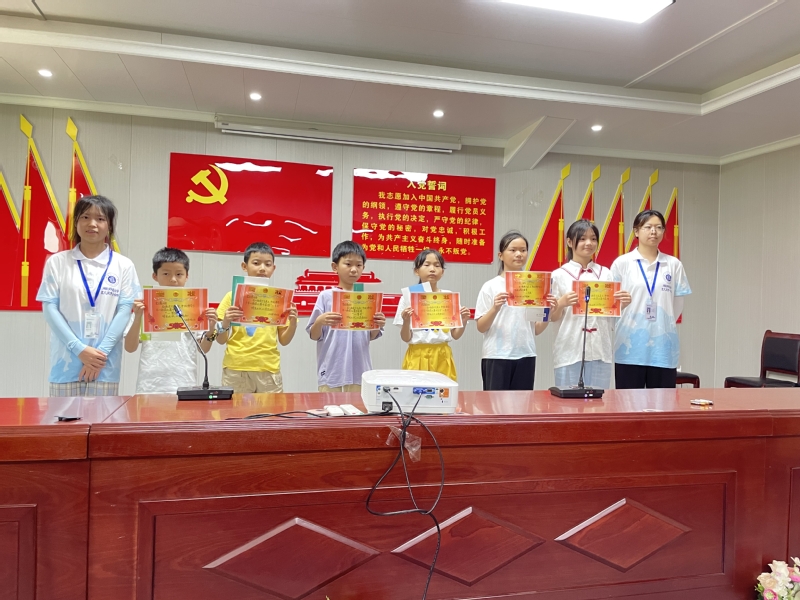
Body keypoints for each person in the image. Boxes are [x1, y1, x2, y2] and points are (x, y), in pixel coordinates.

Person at [37, 195, 141, 396]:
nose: (92, 224)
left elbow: (125, 310)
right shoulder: (57, 262)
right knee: (63, 416)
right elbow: (49, 308)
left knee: (104, 416)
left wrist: (98, 357)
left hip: (105, 367)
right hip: (65, 365)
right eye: (85, 217)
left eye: (100, 219)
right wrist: (79, 349)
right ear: (76, 222)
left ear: (109, 226)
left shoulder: (123, 265)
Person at [545, 220, 630, 389]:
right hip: (570, 350)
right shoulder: (559, 275)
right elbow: (552, 318)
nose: (589, 243)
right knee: (568, 401)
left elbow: (609, 314)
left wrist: (623, 304)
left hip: (600, 349)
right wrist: (561, 303)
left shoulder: (606, 274)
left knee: (598, 402)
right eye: (582, 239)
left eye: (593, 239)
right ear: (570, 242)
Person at [611, 209, 691, 388]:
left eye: (658, 227)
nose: (654, 231)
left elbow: (677, 304)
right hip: (629, 347)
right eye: (648, 227)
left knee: (663, 402)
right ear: (636, 231)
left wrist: (662, 322)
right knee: (628, 402)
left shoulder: (673, 264)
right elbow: (612, 304)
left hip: (663, 347)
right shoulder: (622, 263)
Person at [123, 248, 219, 394]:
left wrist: (211, 328)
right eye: (166, 274)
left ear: (187, 276)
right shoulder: (146, 306)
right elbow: (130, 348)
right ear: (155, 276)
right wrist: (137, 317)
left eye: (179, 274)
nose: (173, 279)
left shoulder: (195, 307)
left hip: (185, 382)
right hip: (149, 386)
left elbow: (203, 349)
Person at [215, 242, 298, 393]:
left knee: (272, 410)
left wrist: (293, 324)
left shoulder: (279, 298)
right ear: (244, 266)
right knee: (236, 409)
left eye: (268, 264)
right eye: (256, 263)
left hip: (268, 369)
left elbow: (284, 341)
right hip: (236, 368)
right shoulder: (231, 296)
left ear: (273, 268)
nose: (262, 268)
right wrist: (226, 321)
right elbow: (220, 340)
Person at [307, 241, 386, 392]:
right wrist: (319, 321)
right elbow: (314, 334)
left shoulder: (367, 298)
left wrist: (377, 324)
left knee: (358, 406)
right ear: (335, 267)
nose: (354, 270)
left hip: (360, 369)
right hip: (331, 369)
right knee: (330, 405)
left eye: (359, 265)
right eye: (348, 264)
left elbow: (371, 336)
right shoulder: (326, 296)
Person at [475, 231, 545, 391]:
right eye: (513, 250)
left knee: (522, 405)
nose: (519, 254)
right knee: (495, 404)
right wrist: (495, 308)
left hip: (526, 354)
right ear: (500, 255)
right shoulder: (490, 286)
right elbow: (481, 327)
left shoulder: (533, 285)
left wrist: (547, 311)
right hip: (496, 355)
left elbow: (537, 329)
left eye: (523, 250)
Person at [394, 249, 471, 380]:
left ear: (442, 272)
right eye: (427, 264)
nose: (432, 269)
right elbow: (406, 338)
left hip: (442, 355)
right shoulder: (408, 297)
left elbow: (455, 335)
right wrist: (406, 321)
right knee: (416, 390)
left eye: (437, 265)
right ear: (417, 271)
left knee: (443, 391)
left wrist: (463, 321)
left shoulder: (448, 297)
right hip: (417, 354)